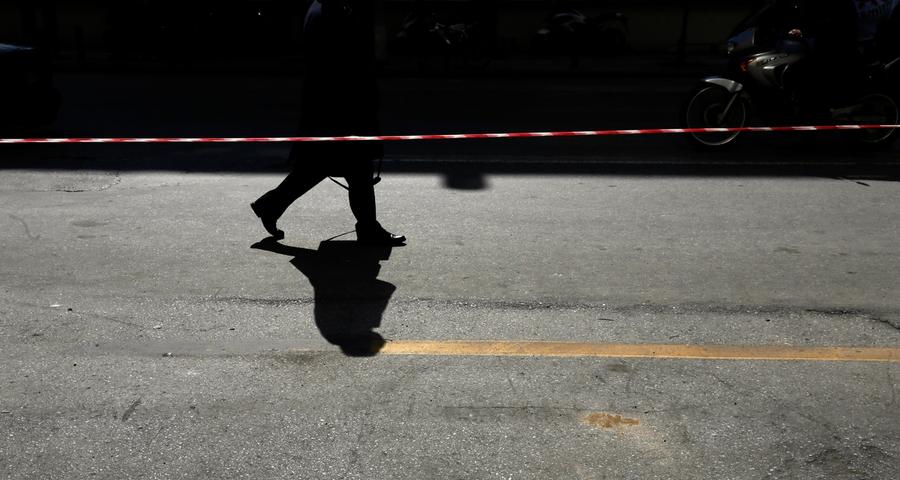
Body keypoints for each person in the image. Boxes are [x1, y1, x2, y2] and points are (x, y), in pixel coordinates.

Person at [251, 0, 405, 246]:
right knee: (353, 165)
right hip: (339, 106)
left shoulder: (320, 9)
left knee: (323, 166)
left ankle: (271, 205)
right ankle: (367, 228)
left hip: (328, 105)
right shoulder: (333, 13)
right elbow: (347, 63)